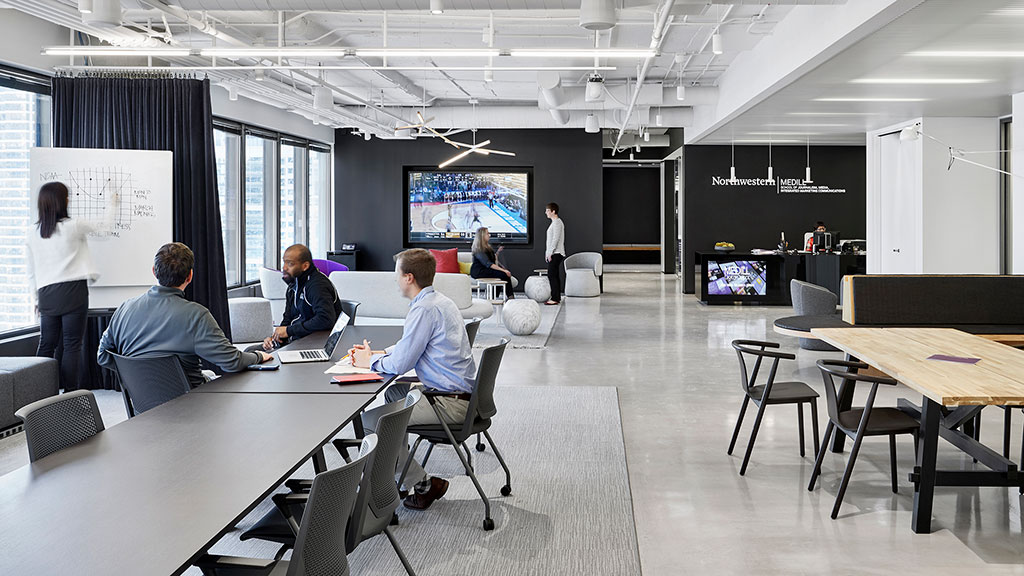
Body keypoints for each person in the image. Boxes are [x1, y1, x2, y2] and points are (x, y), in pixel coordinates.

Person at [351, 248, 476, 511]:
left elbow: (400, 365)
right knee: (394, 393)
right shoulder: (438, 301)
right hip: (456, 394)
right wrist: (377, 354)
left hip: (448, 403)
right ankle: (399, 472)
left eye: (397, 274)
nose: (394, 279)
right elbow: (408, 346)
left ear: (408, 277)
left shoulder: (425, 310)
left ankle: (423, 484)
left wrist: (369, 362)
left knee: (371, 423)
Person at [97, 242, 273, 388]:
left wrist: (135, 376)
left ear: (154, 271)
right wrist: (259, 356)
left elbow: (103, 355)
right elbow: (232, 362)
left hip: (142, 408)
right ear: (190, 276)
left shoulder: (125, 308)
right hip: (190, 408)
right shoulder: (196, 316)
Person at [26, 181, 110, 392]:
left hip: (46, 295)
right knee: (72, 346)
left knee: (47, 344)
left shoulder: (32, 232)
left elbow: (31, 272)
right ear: (62, 201)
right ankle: (70, 394)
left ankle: (39, 392)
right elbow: (105, 227)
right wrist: (112, 200)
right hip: (73, 292)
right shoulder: (73, 226)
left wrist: (36, 300)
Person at [262, 244, 342, 351]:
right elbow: (288, 318)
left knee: (257, 358)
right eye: (284, 262)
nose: (284, 268)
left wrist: (289, 331)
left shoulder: (317, 286)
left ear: (305, 266)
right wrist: (276, 336)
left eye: (290, 264)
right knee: (251, 352)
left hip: (314, 343)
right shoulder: (293, 284)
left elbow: (325, 319)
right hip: (296, 340)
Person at [470, 227, 515, 299]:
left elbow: (491, 260)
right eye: (487, 233)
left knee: (502, 274)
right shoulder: (478, 249)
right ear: (482, 236)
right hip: (479, 271)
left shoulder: (488, 247)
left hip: (486, 269)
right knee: (503, 274)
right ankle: (509, 297)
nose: (489, 235)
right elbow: (488, 263)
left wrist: (497, 254)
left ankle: (494, 295)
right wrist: (504, 270)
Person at [544, 202, 566, 305]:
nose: (546, 212)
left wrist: (550, 253)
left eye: (548, 210)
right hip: (554, 253)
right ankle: (556, 297)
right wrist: (547, 252)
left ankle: (555, 298)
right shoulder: (554, 223)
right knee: (554, 275)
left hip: (556, 253)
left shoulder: (557, 223)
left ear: (553, 211)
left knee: (552, 275)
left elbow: (555, 239)